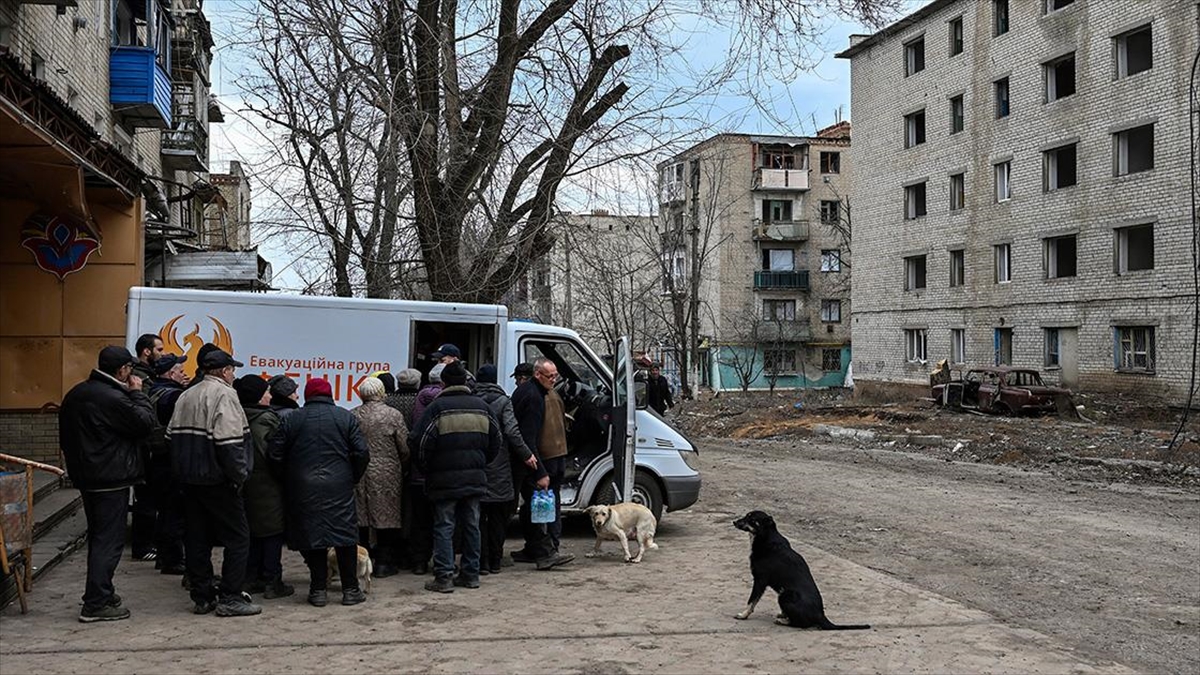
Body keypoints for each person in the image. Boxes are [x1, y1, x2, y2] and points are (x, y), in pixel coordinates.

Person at [59, 346, 157, 622]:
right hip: (110, 477)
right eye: (130, 370)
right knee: (108, 540)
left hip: (87, 476)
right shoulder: (114, 397)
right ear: (123, 370)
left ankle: (101, 590)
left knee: (99, 536)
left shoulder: (77, 393)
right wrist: (137, 393)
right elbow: (145, 423)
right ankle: (96, 602)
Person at [168, 349, 260, 617]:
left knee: (197, 537)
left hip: (190, 480)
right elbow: (229, 443)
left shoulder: (187, 395)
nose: (234, 374)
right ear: (222, 371)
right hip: (218, 480)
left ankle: (202, 595)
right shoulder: (224, 395)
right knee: (239, 538)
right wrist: (239, 475)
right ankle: (231, 596)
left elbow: (170, 436)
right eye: (232, 370)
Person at [268, 378, 370, 607]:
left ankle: (317, 590)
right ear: (330, 394)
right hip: (339, 484)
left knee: (313, 537)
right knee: (345, 536)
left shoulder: (293, 418)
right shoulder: (345, 417)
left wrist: (288, 477)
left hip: (303, 486)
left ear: (307, 395)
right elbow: (362, 452)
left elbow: (275, 453)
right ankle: (351, 590)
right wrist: (351, 476)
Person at [409, 362, 501, 592]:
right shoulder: (482, 407)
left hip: (443, 480)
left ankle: (444, 577)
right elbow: (496, 441)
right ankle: (470, 575)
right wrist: (480, 463)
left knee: (444, 526)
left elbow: (420, 443)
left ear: (444, 383)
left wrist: (427, 468)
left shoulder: (437, 408)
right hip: (475, 478)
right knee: (472, 526)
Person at [472, 365, 538, 575]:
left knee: (478, 517)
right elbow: (512, 431)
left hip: (477, 464)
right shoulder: (503, 401)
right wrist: (527, 454)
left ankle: (481, 561)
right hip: (500, 465)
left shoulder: (472, 401)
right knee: (499, 517)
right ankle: (495, 561)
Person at [510, 358, 575, 571]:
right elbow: (529, 436)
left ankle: (540, 550)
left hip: (543, 460)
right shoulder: (537, 396)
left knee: (536, 505)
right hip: (543, 460)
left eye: (556, 375)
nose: (554, 380)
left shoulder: (536, 393)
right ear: (537, 374)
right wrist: (539, 471)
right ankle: (546, 551)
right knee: (541, 506)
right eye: (550, 376)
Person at [234, 375, 293, 600]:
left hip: (245, 482)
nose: (270, 396)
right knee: (272, 533)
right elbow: (274, 454)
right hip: (267, 484)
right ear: (259, 397)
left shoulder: (239, 415)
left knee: (251, 532)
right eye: (267, 392)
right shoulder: (267, 420)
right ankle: (271, 580)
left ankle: (251, 576)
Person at [352, 377, 409, 578]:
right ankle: (385, 562)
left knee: (361, 516)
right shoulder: (393, 415)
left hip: (360, 471)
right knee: (387, 515)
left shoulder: (353, 415)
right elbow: (404, 446)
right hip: (387, 470)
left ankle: (361, 559)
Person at [146, 354, 190, 576]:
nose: (184, 374)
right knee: (175, 512)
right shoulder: (173, 397)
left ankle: (164, 556)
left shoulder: (153, 391)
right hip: (171, 458)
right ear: (171, 374)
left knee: (164, 510)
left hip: (157, 458)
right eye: (180, 370)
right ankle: (173, 559)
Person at [130, 333, 166, 561]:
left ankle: (146, 544)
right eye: (159, 349)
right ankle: (142, 547)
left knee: (149, 499)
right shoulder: (139, 377)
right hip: (144, 448)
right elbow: (143, 413)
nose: (161, 354)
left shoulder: (146, 375)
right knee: (146, 500)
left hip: (147, 447)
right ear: (147, 351)